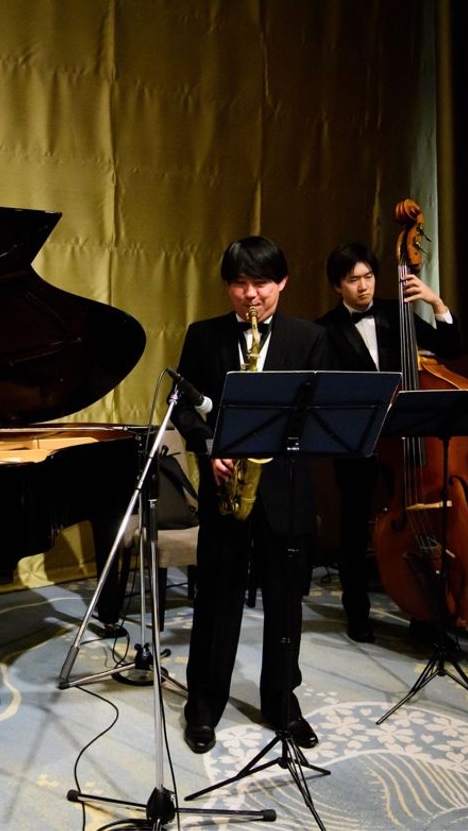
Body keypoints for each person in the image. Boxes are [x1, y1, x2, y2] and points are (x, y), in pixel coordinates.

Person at [172, 236, 328, 755]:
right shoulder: (203, 335)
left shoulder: (309, 338)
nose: (250, 294)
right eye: (239, 284)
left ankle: (282, 703)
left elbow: (320, 412)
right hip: (225, 487)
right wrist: (208, 445)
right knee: (216, 598)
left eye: (261, 283)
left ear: (282, 282)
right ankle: (203, 705)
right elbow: (184, 407)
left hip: (286, 487)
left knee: (286, 602)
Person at [316, 242, 460, 643]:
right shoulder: (324, 330)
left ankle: (423, 611)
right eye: (353, 280)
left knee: (415, 521)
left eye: (368, 277)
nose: (363, 286)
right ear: (337, 286)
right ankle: (357, 611)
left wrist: (435, 302)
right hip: (357, 441)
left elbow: (452, 348)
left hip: (404, 441)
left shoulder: (398, 314)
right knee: (354, 525)